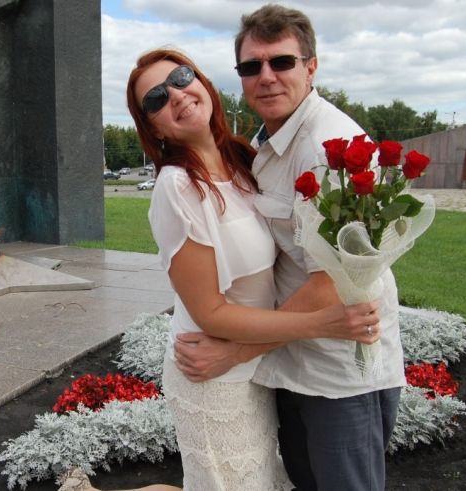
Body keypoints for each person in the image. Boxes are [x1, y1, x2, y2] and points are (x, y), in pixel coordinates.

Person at [118, 48, 380, 491]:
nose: (176, 95)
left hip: (256, 367)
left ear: (203, 82)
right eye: (156, 99)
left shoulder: (244, 160)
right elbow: (210, 313)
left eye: (182, 78)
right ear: (153, 127)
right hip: (211, 375)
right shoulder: (177, 188)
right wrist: (322, 322)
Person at [172, 5, 407, 490]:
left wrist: (235, 352)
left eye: (281, 62)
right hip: (292, 361)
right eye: (250, 66)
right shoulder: (269, 141)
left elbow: (330, 285)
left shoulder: (329, 149)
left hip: (339, 374)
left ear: (311, 67)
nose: (266, 77)